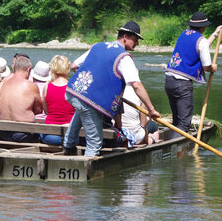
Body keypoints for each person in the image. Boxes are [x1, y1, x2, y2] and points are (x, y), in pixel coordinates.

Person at [62, 21, 160, 156]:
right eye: (135, 40)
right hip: (89, 100)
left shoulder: (97, 46)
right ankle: (86, 169)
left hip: (73, 92)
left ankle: (68, 147)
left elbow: (74, 66)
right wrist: (151, 109)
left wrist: (93, 82)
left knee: (82, 108)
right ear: (125, 37)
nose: (137, 43)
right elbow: (136, 85)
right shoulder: (123, 57)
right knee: (95, 142)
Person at [165, 12, 222, 132]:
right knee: (184, 124)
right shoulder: (200, 40)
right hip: (182, 85)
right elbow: (207, 66)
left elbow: (202, 46)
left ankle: (174, 142)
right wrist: (213, 68)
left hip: (169, 80)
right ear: (203, 27)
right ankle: (179, 148)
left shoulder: (183, 35)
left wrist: (215, 34)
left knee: (177, 120)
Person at [0, 55, 43, 143]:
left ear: (14, 68)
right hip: (23, 134)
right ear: (29, 69)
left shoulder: (4, 84)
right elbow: (39, 110)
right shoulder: (31, 85)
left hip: (3, 133)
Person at [40, 55, 75, 146]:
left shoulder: (47, 87)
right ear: (67, 69)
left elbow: (46, 111)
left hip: (51, 136)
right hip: (71, 135)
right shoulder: (73, 87)